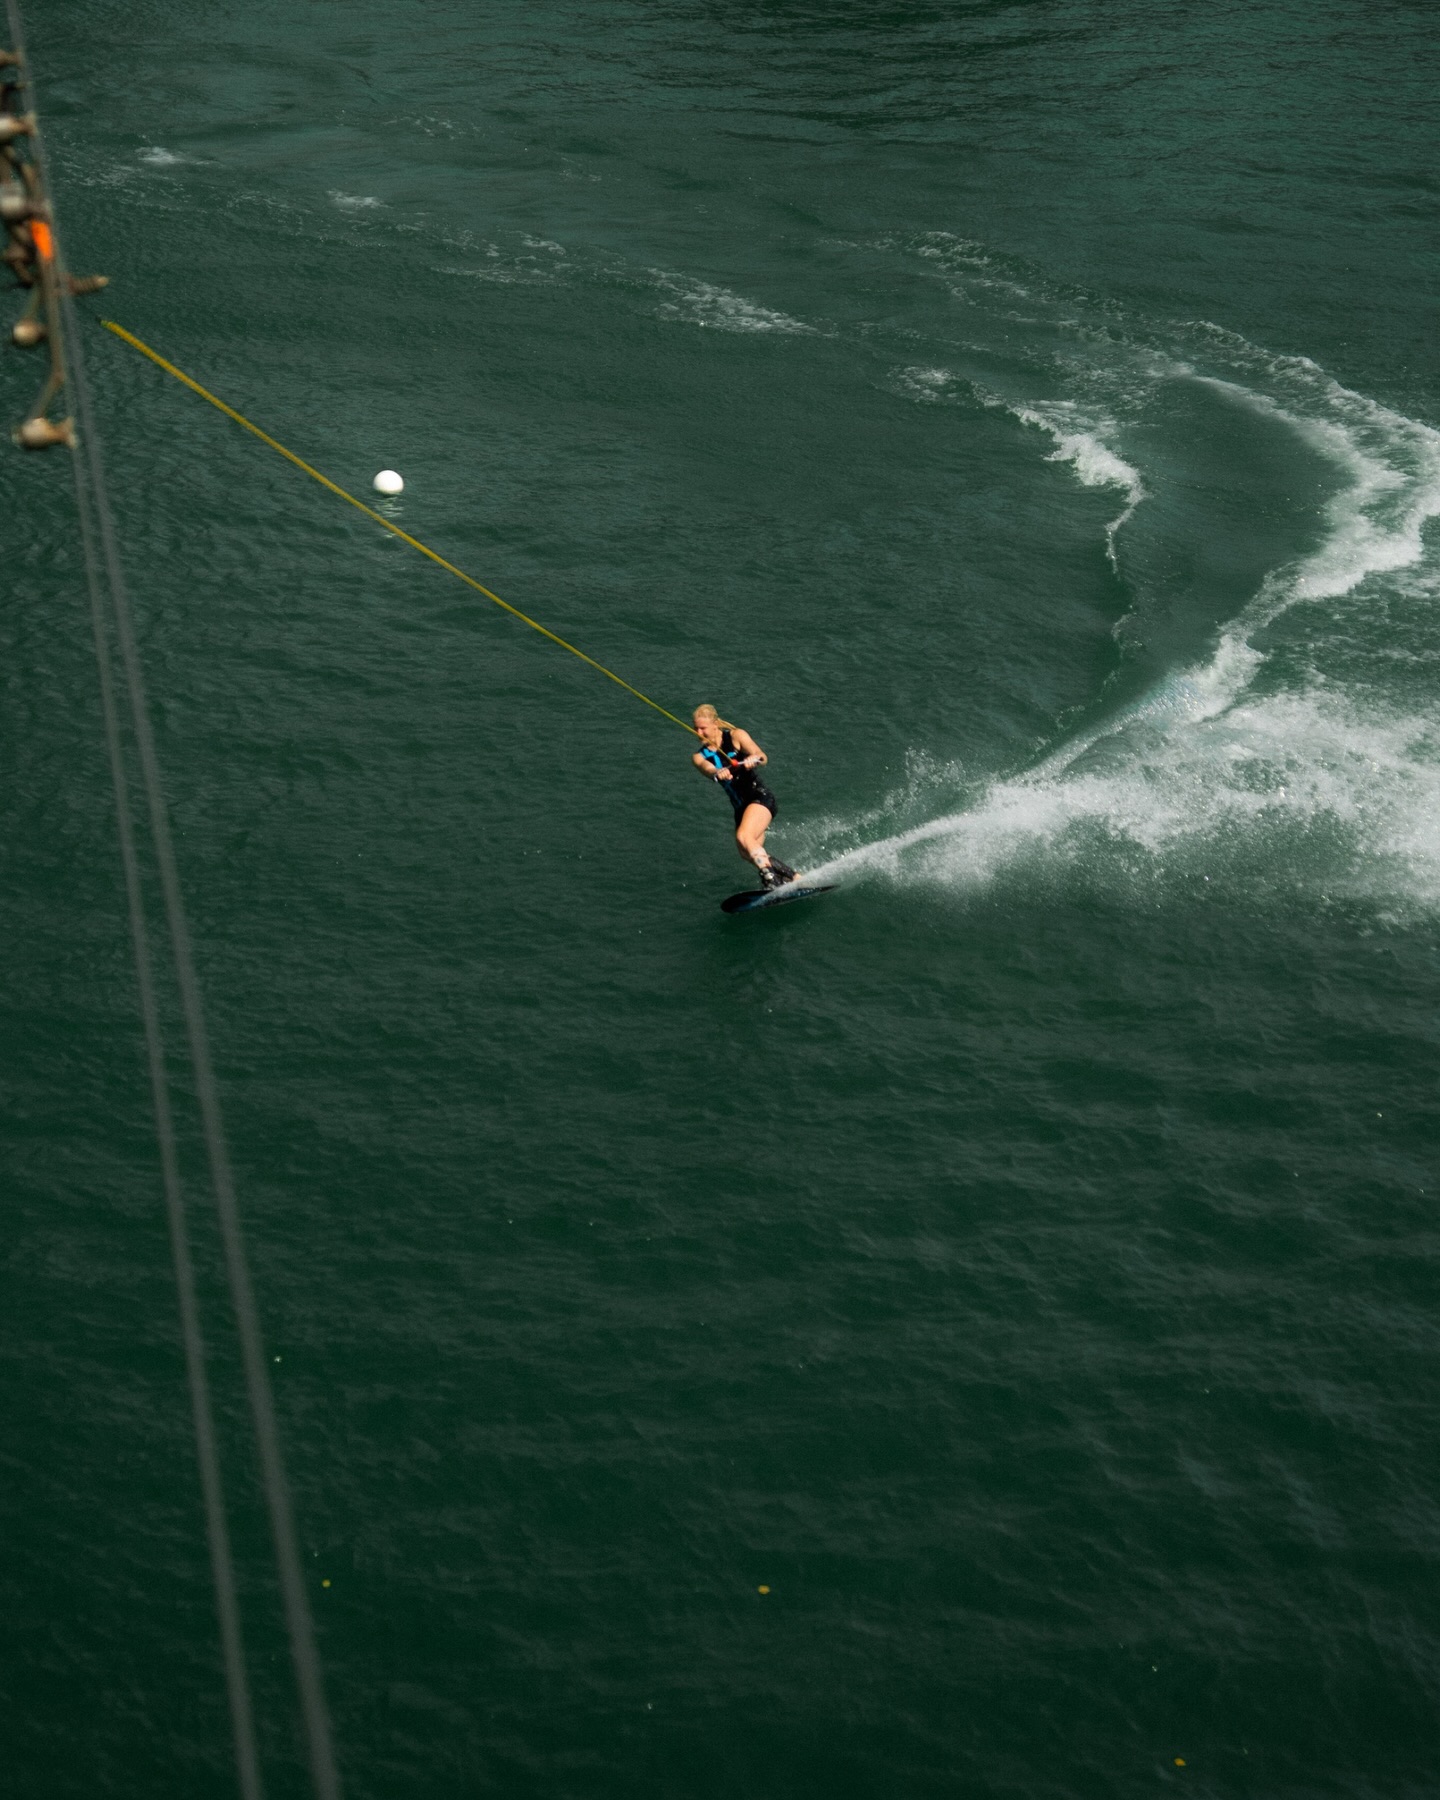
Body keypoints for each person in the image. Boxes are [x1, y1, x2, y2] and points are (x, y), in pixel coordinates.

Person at [691, 704, 797, 890]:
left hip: (759, 797)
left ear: (715, 724)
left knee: (743, 836)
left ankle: (769, 878)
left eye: (703, 728)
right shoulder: (699, 756)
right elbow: (707, 769)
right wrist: (717, 772)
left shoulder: (736, 736)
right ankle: (794, 877)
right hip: (740, 808)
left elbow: (762, 756)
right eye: (696, 728)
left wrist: (753, 758)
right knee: (747, 851)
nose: (699, 732)